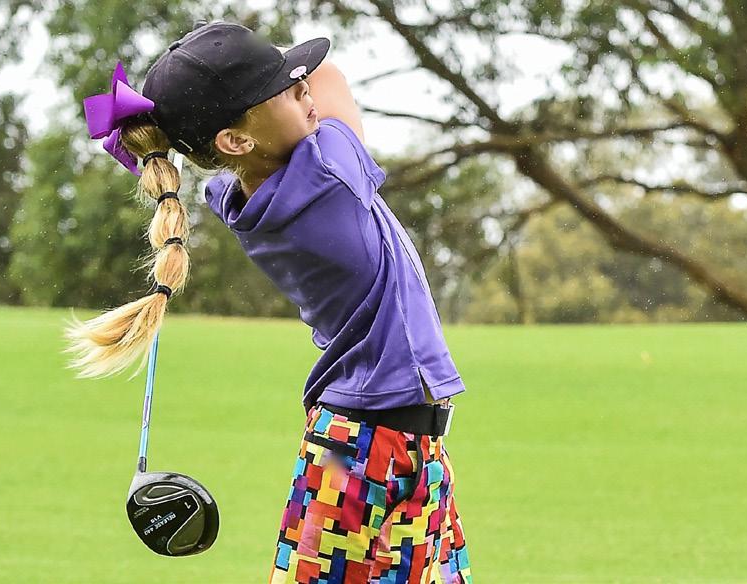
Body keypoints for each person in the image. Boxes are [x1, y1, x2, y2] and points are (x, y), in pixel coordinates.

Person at [70, 20, 471, 583]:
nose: (303, 88)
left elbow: (310, 85)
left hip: (381, 440)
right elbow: (329, 73)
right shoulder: (328, 177)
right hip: (370, 449)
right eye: (285, 88)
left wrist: (208, 98)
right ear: (235, 141)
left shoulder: (242, 196)